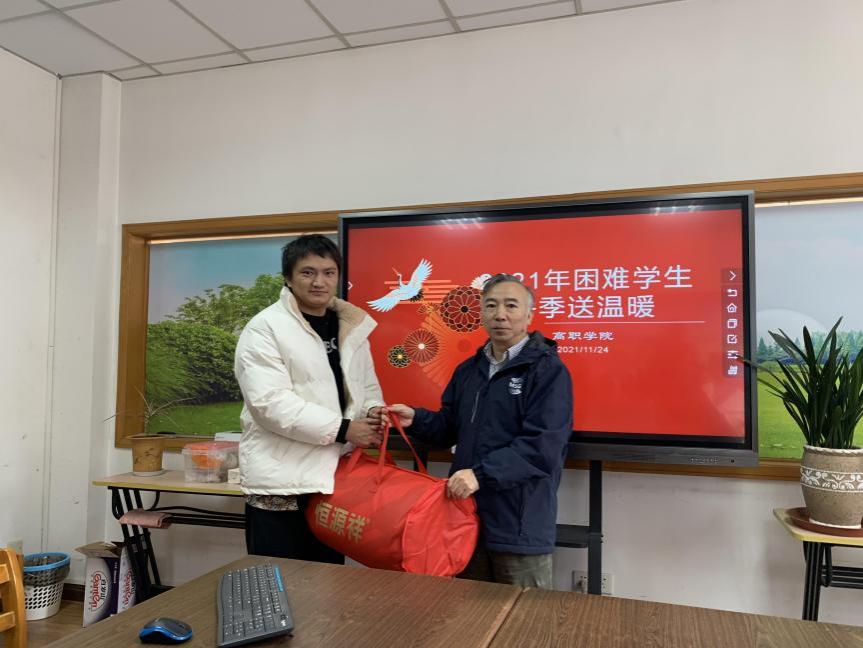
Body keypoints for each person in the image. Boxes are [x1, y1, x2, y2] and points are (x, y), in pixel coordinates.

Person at [388, 273, 573, 588]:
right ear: (481, 313)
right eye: (491, 305)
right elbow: (449, 428)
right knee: (467, 613)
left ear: (529, 315)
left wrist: (480, 475)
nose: (500, 314)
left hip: (519, 524)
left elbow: (542, 447)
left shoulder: (547, 370)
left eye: (511, 305)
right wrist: (415, 419)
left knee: (523, 616)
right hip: (465, 520)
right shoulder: (468, 371)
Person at [234, 234, 386, 563]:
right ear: (288, 278)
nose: (319, 282)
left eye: (329, 272)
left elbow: (367, 388)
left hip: (332, 483)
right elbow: (269, 404)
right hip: (281, 484)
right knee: (276, 581)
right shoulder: (265, 328)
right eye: (308, 272)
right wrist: (346, 429)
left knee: (327, 582)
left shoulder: (353, 327)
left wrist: (375, 412)